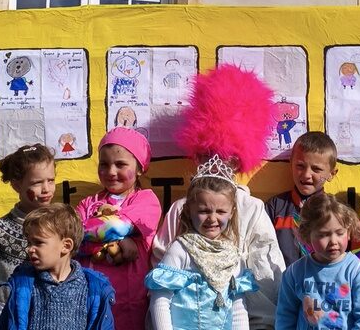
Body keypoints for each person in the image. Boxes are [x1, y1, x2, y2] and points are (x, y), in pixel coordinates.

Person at [151, 64, 286, 329]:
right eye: (207, 153)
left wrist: (263, 324)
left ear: (238, 159)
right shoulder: (180, 208)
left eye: (225, 155)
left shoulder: (251, 208)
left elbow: (264, 269)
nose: (216, 161)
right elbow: (160, 265)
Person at [146, 155, 257, 330]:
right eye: (204, 211)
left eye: (221, 211)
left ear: (232, 212)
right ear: (189, 210)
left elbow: (238, 307)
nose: (212, 218)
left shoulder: (233, 256)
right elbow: (160, 298)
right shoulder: (181, 249)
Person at [75, 127, 161, 330]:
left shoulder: (146, 200)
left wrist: (88, 236)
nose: (111, 172)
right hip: (91, 297)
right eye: (104, 164)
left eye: (120, 164)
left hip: (130, 300)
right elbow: (69, 238)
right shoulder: (88, 203)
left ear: (139, 168)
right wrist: (112, 244)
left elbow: (116, 226)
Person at [0, 144, 56, 329]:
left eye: (51, 180)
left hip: (48, 316)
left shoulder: (60, 227)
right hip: (5, 315)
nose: (46, 189)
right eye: (37, 183)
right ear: (17, 185)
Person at [0, 203, 115, 329]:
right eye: (29, 243)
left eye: (38, 242)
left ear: (66, 246)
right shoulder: (23, 284)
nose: (30, 249)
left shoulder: (94, 288)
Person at [275, 193, 360, 330]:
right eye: (323, 235)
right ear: (307, 235)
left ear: (348, 231)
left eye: (340, 233)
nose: (333, 241)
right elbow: (285, 317)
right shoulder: (295, 272)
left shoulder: (358, 272)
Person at [265, 131, 339, 266]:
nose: (306, 175)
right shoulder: (274, 208)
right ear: (291, 164)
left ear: (331, 174)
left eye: (316, 169)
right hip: (283, 278)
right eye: (300, 166)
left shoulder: (336, 211)